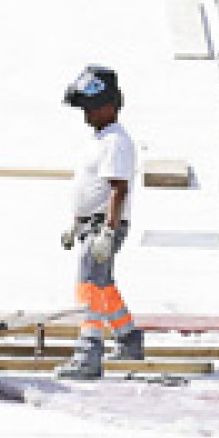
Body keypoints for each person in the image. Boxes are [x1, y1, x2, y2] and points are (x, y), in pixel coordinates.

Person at [58, 65, 143, 379]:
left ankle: (88, 354)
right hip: (92, 225)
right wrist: (76, 225)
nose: (86, 115)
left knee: (89, 286)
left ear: (110, 105)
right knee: (102, 284)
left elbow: (118, 189)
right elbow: (92, 189)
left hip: (104, 226)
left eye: (91, 108)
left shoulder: (116, 142)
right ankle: (129, 338)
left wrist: (107, 231)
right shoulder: (102, 139)